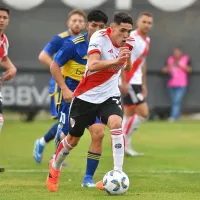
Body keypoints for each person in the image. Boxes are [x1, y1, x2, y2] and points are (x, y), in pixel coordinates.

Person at [46, 12, 134, 192]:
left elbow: (128, 66)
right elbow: (93, 65)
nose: (126, 35)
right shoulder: (99, 38)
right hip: (86, 97)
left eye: (129, 31)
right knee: (72, 140)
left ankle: (117, 173)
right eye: (122, 30)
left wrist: (127, 57)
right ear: (112, 28)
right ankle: (55, 167)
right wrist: (116, 60)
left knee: (116, 124)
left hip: (109, 95)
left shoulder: (128, 41)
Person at [49, 10, 109, 189]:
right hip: (72, 96)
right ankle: (56, 164)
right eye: (94, 25)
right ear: (87, 25)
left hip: (94, 96)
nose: (97, 29)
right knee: (69, 137)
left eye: (101, 26)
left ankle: (88, 179)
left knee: (98, 132)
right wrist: (65, 89)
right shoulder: (73, 45)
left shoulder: (106, 46)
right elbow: (54, 65)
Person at [33, 9, 86, 163]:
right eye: (74, 20)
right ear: (68, 22)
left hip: (76, 85)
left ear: (85, 24)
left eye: (80, 21)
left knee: (67, 121)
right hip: (59, 85)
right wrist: (58, 67)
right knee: (63, 120)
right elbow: (43, 56)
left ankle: (45, 145)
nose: (77, 23)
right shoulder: (60, 39)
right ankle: (53, 154)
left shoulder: (85, 41)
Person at [120, 12, 153, 156]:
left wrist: (144, 84)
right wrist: (124, 81)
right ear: (138, 22)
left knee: (129, 114)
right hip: (130, 81)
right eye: (144, 21)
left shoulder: (147, 40)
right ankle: (122, 142)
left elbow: (142, 63)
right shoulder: (131, 37)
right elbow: (122, 59)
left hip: (137, 81)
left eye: (149, 23)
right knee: (144, 113)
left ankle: (123, 144)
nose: (146, 25)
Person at [0, 6, 17, 172]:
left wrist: (12, 68)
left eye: (4, 17)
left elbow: (3, 57)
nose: (1, 20)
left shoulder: (3, 40)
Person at [162, 47, 192, 121]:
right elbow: (164, 70)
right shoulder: (170, 60)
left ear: (181, 53)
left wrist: (180, 65)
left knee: (176, 101)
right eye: (175, 53)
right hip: (171, 84)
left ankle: (173, 116)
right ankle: (177, 117)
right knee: (175, 101)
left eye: (178, 52)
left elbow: (189, 70)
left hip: (182, 84)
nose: (176, 54)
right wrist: (171, 66)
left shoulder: (185, 59)